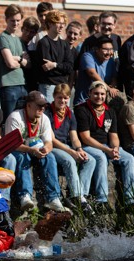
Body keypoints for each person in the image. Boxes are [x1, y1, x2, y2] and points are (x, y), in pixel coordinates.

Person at [75, 81, 134, 208]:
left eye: (102, 94)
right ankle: (101, 200)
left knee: (129, 158)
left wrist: (114, 149)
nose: (99, 97)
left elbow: (114, 135)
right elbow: (85, 138)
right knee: (101, 157)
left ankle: (130, 200)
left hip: (107, 146)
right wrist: (106, 149)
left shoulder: (110, 111)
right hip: (89, 146)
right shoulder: (82, 109)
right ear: (89, 94)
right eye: (96, 94)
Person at [5, 91, 68, 213]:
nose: (42, 108)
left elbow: (49, 142)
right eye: (39, 105)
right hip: (16, 150)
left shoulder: (44, 118)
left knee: (50, 157)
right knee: (24, 158)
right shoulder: (15, 117)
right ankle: (25, 196)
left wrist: (46, 149)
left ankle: (53, 198)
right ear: (28, 105)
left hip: (34, 149)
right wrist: (31, 150)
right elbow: (12, 144)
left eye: (44, 106)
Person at [44, 83, 95, 213]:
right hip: (52, 146)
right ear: (54, 97)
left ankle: (81, 195)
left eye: (66, 98)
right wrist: (71, 152)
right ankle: (76, 196)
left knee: (90, 160)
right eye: (59, 97)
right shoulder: (47, 113)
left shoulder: (70, 114)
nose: (62, 101)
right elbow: (52, 139)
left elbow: (74, 137)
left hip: (66, 146)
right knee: (69, 160)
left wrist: (79, 149)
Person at [0, 4, 29, 121]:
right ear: (6, 20)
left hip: (22, 84)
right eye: (12, 20)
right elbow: (10, 63)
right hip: (8, 86)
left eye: (18, 20)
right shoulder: (3, 38)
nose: (15, 23)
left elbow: (29, 64)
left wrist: (17, 58)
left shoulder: (19, 40)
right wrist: (20, 60)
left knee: (22, 121)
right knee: (9, 121)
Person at [36, 10, 73, 102]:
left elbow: (70, 67)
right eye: (58, 23)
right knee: (48, 114)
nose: (62, 26)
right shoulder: (44, 43)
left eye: (63, 23)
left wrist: (55, 65)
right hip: (48, 87)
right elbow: (47, 68)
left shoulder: (65, 44)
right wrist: (62, 67)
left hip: (63, 87)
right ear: (50, 24)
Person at [74, 36, 118, 106]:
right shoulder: (87, 56)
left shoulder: (111, 61)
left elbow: (114, 77)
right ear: (97, 49)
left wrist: (112, 87)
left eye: (111, 49)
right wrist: (108, 88)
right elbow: (92, 73)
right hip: (84, 101)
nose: (109, 53)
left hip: (100, 103)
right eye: (106, 49)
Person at [20, 16, 40, 92]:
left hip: (31, 86)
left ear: (35, 33)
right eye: (26, 30)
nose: (28, 34)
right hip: (20, 85)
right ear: (22, 29)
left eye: (32, 32)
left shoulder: (35, 47)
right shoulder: (16, 44)